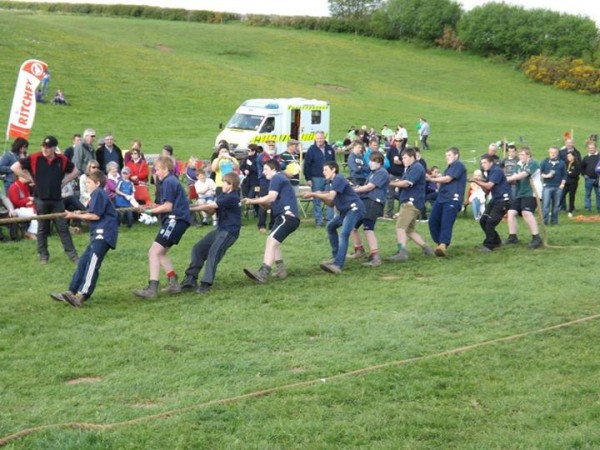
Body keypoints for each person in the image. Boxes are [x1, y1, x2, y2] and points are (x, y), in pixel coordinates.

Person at [49, 170, 119, 307]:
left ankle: (81, 295)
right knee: (83, 262)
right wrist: (79, 213)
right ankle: (71, 291)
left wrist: (74, 216)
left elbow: (95, 216)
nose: (86, 184)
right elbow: (93, 213)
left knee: (92, 264)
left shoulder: (98, 193)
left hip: (103, 234)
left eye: (89, 182)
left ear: (97, 183)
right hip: (97, 235)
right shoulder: (95, 195)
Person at [166, 172, 242, 295]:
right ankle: (190, 279)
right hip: (220, 230)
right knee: (198, 249)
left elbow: (209, 205)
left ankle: (205, 284)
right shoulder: (223, 195)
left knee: (214, 252)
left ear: (231, 184)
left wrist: (186, 208)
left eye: (224, 182)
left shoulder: (232, 197)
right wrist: (197, 206)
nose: (222, 184)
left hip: (230, 232)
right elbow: (212, 211)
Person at [11, 136, 79, 263]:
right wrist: (30, 178)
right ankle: (43, 255)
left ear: (54, 148)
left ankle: (72, 255)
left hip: (57, 199)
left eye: (48, 148)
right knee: (42, 228)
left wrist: (64, 181)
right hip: (40, 198)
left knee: (63, 228)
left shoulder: (61, 159)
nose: (45, 149)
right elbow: (15, 167)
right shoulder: (35, 157)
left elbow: (75, 171)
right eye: (43, 146)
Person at [133, 156, 191, 298]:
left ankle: (152, 288)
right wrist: (152, 206)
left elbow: (168, 206)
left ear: (166, 169)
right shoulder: (169, 181)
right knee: (160, 253)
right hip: (176, 220)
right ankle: (173, 283)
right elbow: (167, 204)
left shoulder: (169, 182)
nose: (156, 172)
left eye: (158, 169)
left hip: (175, 220)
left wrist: (149, 211)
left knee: (153, 252)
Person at [243, 159, 300, 283]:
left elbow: (271, 197)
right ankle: (281, 270)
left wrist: (252, 200)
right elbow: (271, 202)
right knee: (273, 241)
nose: (263, 173)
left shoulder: (277, 178)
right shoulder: (280, 178)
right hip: (284, 217)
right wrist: (262, 202)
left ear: (273, 169)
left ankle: (263, 273)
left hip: (287, 217)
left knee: (271, 241)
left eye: (265, 169)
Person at [303, 161, 365, 274]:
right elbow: (331, 203)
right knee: (330, 226)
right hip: (345, 211)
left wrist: (314, 194)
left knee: (344, 234)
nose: (323, 172)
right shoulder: (333, 183)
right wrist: (320, 196)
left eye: (326, 169)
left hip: (354, 209)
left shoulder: (339, 179)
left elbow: (331, 196)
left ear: (333, 170)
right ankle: (336, 257)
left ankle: (338, 265)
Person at [387, 148, 435, 261]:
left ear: (412, 157)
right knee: (409, 230)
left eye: (405, 158)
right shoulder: (410, 168)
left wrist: (389, 183)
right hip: (413, 203)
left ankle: (402, 252)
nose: (403, 160)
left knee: (400, 227)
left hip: (411, 203)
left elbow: (406, 183)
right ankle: (427, 249)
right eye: (402, 158)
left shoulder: (416, 168)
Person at [349, 152, 389, 266]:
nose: (370, 163)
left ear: (379, 162)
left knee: (368, 228)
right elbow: (366, 186)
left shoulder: (382, 172)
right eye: (370, 161)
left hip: (373, 202)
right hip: (365, 202)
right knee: (352, 226)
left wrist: (356, 190)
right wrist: (358, 188)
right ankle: (359, 250)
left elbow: (371, 186)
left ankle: (375, 256)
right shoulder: (373, 173)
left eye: (373, 161)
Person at [427, 147, 467, 257]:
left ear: (456, 156)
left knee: (446, 223)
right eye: (446, 155)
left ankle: (443, 245)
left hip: (453, 198)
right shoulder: (448, 168)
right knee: (432, 221)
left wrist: (431, 179)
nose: (446, 157)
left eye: (449, 155)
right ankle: (439, 244)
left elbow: (448, 179)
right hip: (442, 198)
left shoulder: (459, 165)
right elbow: (443, 181)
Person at [504, 147, 543, 249]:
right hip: (520, 193)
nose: (520, 157)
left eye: (523, 155)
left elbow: (523, 175)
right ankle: (513, 237)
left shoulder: (533, 163)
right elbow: (515, 178)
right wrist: (510, 180)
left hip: (532, 193)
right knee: (511, 213)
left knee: (527, 212)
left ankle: (536, 238)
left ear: (528, 155)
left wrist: (509, 178)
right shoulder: (518, 165)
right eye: (520, 155)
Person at [472, 155, 512, 252]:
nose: (483, 165)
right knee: (483, 221)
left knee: (490, 223)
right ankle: (497, 241)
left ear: (491, 162)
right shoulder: (489, 172)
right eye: (482, 163)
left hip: (503, 200)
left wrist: (475, 181)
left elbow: (489, 186)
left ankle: (489, 245)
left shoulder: (497, 171)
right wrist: (479, 182)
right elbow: (486, 191)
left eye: (485, 163)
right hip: (495, 199)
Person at [303, 131, 335, 227]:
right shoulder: (311, 150)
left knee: (330, 199)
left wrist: (334, 175)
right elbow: (306, 165)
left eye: (321, 138)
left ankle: (330, 221)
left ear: (324, 138)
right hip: (316, 178)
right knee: (317, 199)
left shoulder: (330, 149)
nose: (319, 140)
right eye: (318, 138)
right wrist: (308, 178)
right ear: (315, 139)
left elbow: (334, 163)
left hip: (329, 178)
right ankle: (319, 221)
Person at [256, 140, 283, 232]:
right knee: (263, 203)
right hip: (265, 182)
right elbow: (262, 171)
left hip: (275, 182)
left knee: (274, 203)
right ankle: (261, 225)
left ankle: (273, 224)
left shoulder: (277, 156)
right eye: (269, 146)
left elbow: (282, 165)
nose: (271, 147)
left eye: (273, 145)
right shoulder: (261, 157)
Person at [540, 146, 566, 226]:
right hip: (547, 186)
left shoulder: (562, 163)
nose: (553, 154)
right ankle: (544, 222)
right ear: (549, 153)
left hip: (558, 187)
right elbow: (539, 173)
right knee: (545, 206)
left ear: (557, 153)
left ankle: (554, 222)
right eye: (551, 152)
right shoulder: (545, 162)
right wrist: (546, 176)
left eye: (555, 153)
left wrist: (562, 184)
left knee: (556, 206)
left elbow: (564, 175)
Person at [7, 171, 37, 240]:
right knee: (36, 215)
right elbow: (16, 203)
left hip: (25, 208)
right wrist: (28, 199)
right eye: (25, 175)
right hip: (17, 210)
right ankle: (30, 232)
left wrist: (28, 201)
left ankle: (31, 232)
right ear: (19, 176)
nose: (28, 177)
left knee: (38, 212)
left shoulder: (25, 186)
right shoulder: (13, 187)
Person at [580, 141, 600, 212]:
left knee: (599, 194)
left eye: (592, 148)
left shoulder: (599, 156)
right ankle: (587, 208)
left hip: (598, 179)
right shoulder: (586, 158)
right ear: (588, 149)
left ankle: (599, 208)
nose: (591, 149)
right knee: (588, 194)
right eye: (590, 148)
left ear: (596, 148)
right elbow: (582, 167)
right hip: (588, 179)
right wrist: (583, 174)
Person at [561, 151, 580, 217]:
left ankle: (570, 211)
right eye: (567, 156)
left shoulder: (576, 164)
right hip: (566, 183)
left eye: (569, 156)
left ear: (573, 157)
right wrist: (568, 172)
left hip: (573, 183)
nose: (568, 157)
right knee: (561, 195)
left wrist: (568, 172)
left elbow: (575, 174)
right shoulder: (566, 163)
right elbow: (563, 172)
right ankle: (556, 209)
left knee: (571, 196)